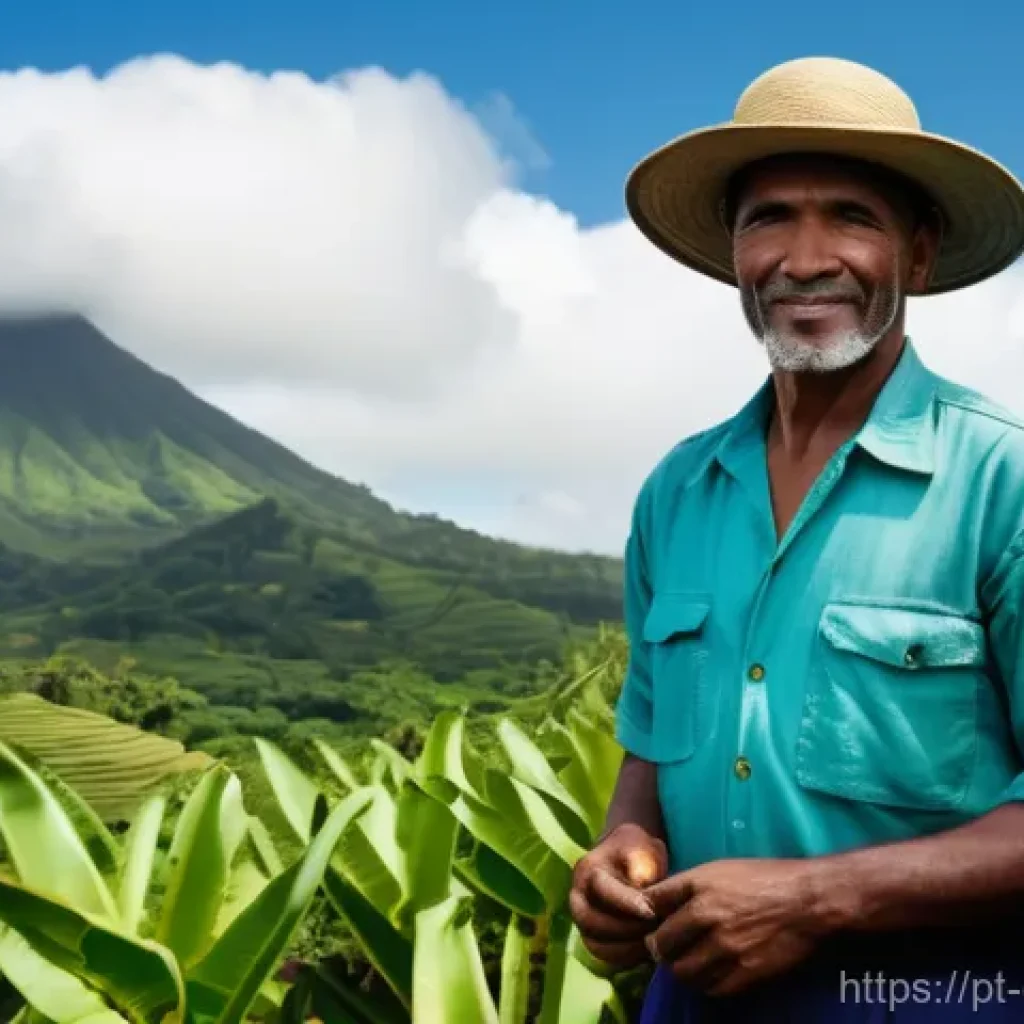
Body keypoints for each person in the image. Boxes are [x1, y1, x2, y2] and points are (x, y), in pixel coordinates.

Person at [568, 56, 1024, 1021]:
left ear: (920, 253)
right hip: (691, 994)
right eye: (767, 217)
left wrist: (818, 898)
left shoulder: (1001, 481)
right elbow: (651, 753)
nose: (804, 257)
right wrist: (625, 846)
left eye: (852, 216)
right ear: (732, 252)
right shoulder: (677, 491)